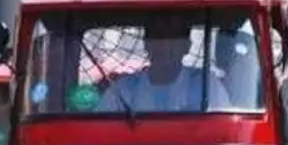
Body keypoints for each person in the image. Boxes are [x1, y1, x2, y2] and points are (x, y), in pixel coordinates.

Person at [97, 18, 233, 112]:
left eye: (173, 38)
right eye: (157, 37)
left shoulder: (206, 86)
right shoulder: (124, 89)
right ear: (146, 44)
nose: (164, 45)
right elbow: (100, 132)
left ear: (187, 46)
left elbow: (224, 132)